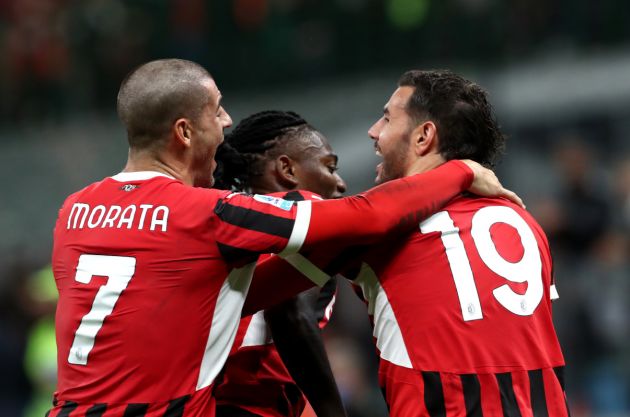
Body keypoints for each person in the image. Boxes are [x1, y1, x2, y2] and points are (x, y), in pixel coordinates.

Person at [49, 58, 519, 417]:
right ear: (184, 132)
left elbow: (223, 295)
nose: (228, 121)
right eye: (217, 111)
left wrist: (321, 263)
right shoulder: (205, 215)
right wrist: (461, 170)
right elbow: (369, 216)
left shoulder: (74, 210)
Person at [249, 69, 570, 417]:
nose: (374, 131)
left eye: (387, 118)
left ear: (423, 137)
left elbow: (279, 302)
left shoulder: (385, 228)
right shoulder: (524, 221)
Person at [212, 110, 347, 417]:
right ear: (287, 169)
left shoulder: (224, 217)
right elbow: (290, 313)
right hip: (248, 402)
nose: (340, 182)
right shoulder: (303, 210)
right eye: (330, 166)